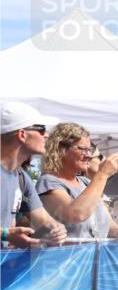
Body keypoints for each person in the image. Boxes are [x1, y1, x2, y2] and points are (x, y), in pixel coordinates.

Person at [36, 122, 118, 239]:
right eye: (83, 149)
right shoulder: (48, 182)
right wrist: (102, 174)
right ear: (62, 149)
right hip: (68, 256)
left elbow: (110, 227)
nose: (89, 156)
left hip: (94, 256)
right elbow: (76, 214)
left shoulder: (86, 183)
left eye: (89, 150)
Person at [0, 101, 67, 247]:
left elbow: (43, 219)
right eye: (41, 129)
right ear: (22, 134)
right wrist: (5, 234)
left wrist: (57, 229)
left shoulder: (21, 177)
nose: (47, 135)